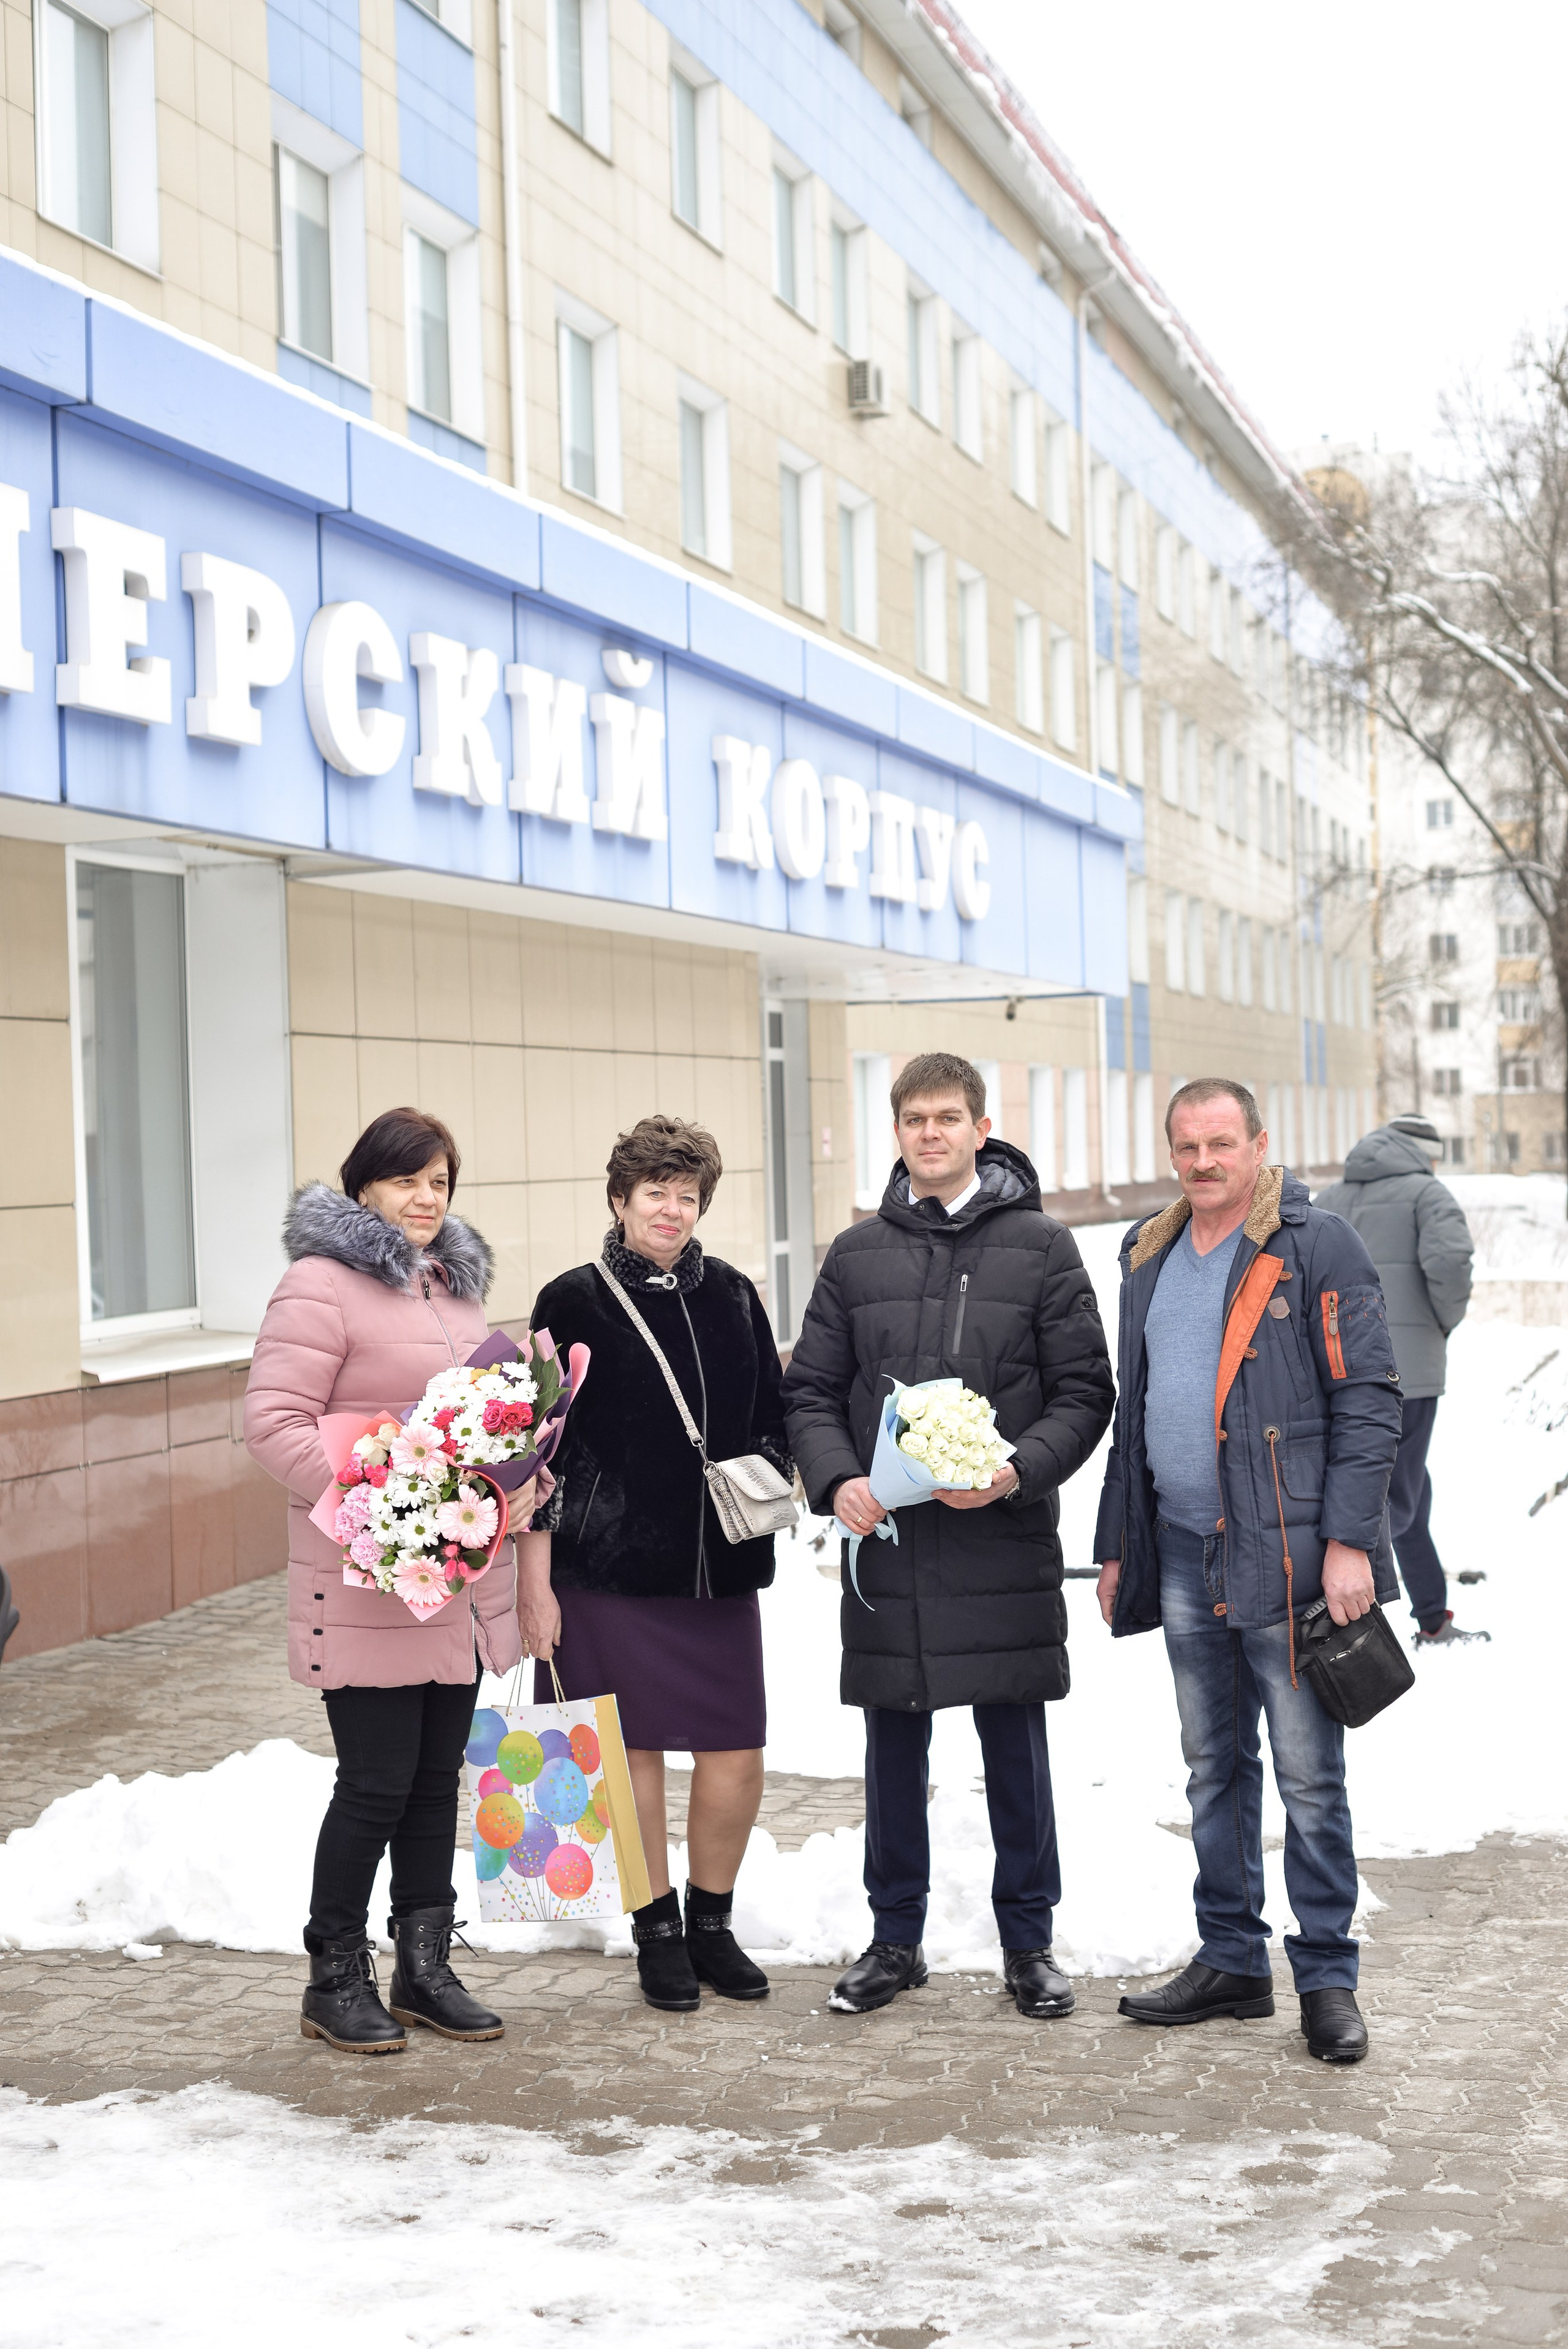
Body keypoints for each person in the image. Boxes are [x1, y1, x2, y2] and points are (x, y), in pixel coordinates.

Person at [783, 1052, 1114, 2021]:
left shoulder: (1042, 1246)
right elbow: (809, 1388)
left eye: (947, 1116)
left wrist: (1018, 1469)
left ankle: (1029, 1941)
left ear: (980, 1127)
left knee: (1014, 1743)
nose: (930, 1132)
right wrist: (839, 1478)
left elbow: (1086, 1391)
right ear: (897, 1133)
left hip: (1000, 1539)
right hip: (891, 1550)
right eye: (914, 1118)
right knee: (892, 1745)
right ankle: (894, 1938)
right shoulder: (856, 1254)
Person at [1094, 1080, 1403, 2065]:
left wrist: (1350, 1539)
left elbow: (1370, 1399)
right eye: (1186, 1144)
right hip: (1184, 1548)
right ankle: (1231, 1956)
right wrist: (1118, 1542)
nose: (1202, 1162)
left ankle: (1327, 1976)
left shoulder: (1316, 1246)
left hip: (1290, 1556)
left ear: (1259, 1144)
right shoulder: (1147, 1253)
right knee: (1211, 1766)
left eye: (1221, 1143)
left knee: (1311, 1775)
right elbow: (1128, 1413)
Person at [246, 1107, 529, 2055]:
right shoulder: (318, 1285)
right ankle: (333, 1975)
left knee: (434, 1783)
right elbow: (276, 1422)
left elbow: (483, 1430)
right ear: (365, 1184)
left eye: (441, 1181)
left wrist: (514, 1479)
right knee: (373, 1782)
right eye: (408, 1179)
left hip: (453, 1583)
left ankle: (424, 1966)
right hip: (365, 1580)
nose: (425, 1198)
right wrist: (385, 1504)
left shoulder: (455, 1293)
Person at [519, 1114, 792, 2013]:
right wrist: (536, 1581)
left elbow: (770, 1413)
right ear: (619, 1199)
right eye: (654, 1193)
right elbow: (538, 1452)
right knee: (628, 1754)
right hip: (607, 1572)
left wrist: (771, 1470)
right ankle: (658, 1926)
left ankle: (713, 1921)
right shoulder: (572, 1299)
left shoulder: (735, 1294)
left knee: (736, 1753)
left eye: (687, 1195)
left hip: (719, 1566)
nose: (671, 1209)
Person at [1314, 1112, 1483, 1647]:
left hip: (1334, 1374)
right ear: (1423, 1153)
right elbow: (1452, 1262)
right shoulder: (1428, 1194)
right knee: (1392, 1500)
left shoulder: (1331, 1196)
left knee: (1408, 1491)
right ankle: (1347, 1624)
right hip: (1404, 1376)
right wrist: (1441, 1322)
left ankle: (1432, 1614)